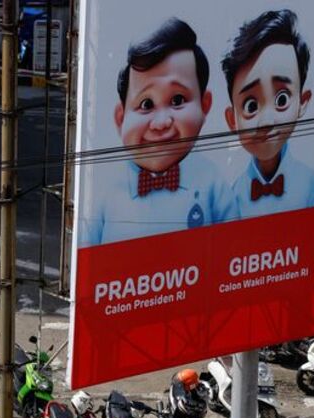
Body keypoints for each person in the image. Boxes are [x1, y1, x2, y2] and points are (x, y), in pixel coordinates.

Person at [79, 18, 239, 247]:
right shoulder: (104, 193)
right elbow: (87, 259)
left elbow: (233, 245)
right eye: (146, 104)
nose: (162, 122)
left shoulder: (212, 182)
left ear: (205, 106)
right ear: (121, 119)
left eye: (177, 100)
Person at [221, 9, 314, 219]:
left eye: (281, 100)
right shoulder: (234, 194)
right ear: (232, 119)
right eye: (251, 106)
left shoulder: (309, 182)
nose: (267, 121)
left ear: (302, 102)